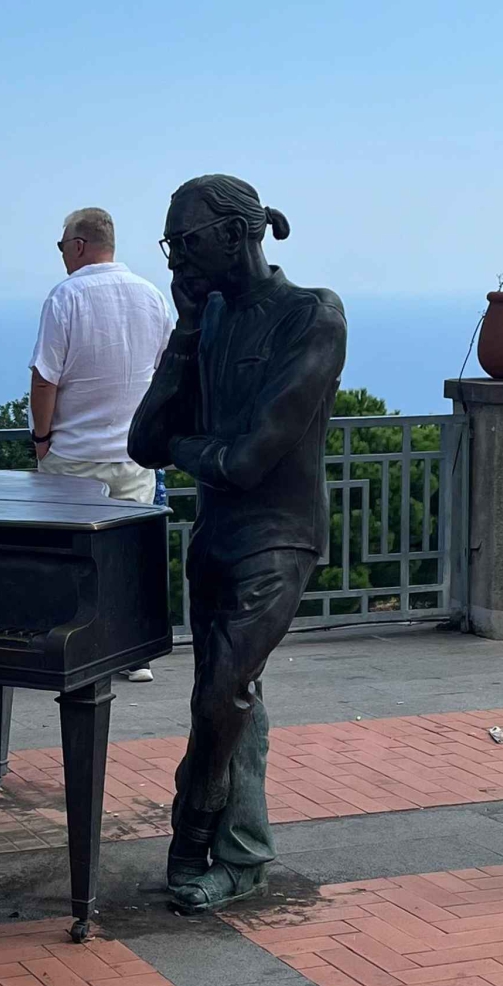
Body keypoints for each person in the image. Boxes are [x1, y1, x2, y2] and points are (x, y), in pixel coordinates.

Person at [130, 175, 346, 914]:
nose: (175, 260)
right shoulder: (210, 317)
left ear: (236, 232)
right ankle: (243, 851)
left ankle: (194, 834)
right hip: (216, 534)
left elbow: (251, 459)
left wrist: (194, 449)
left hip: (279, 535)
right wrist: (187, 333)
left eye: (186, 241)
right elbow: (143, 441)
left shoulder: (311, 314)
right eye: (169, 244)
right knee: (228, 698)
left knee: (222, 691)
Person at [30, 207, 172, 681]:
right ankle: (133, 655)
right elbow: (165, 373)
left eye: (61, 246)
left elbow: (45, 379)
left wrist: (42, 439)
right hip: (134, 454)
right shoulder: (151, 296)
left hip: (73, 454)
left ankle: (75, 654)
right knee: (127, 559)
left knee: (71, 561)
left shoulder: (66, 297)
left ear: (78, 246)